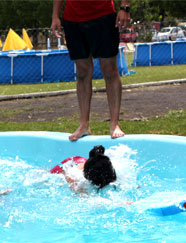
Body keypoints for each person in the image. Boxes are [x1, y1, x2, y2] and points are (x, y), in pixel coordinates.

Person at [51, 0, 130, 141]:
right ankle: (84, 124)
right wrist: (55, 16)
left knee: (110, 70)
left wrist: (125, 7)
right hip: (73, 19)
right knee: (82, 72)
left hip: (103, 15)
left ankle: (114, 123)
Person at [51, 145, 117, 192]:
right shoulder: (75, 176)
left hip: (89, 163)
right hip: (64, 167)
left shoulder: (106, 166)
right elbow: (70, 180)